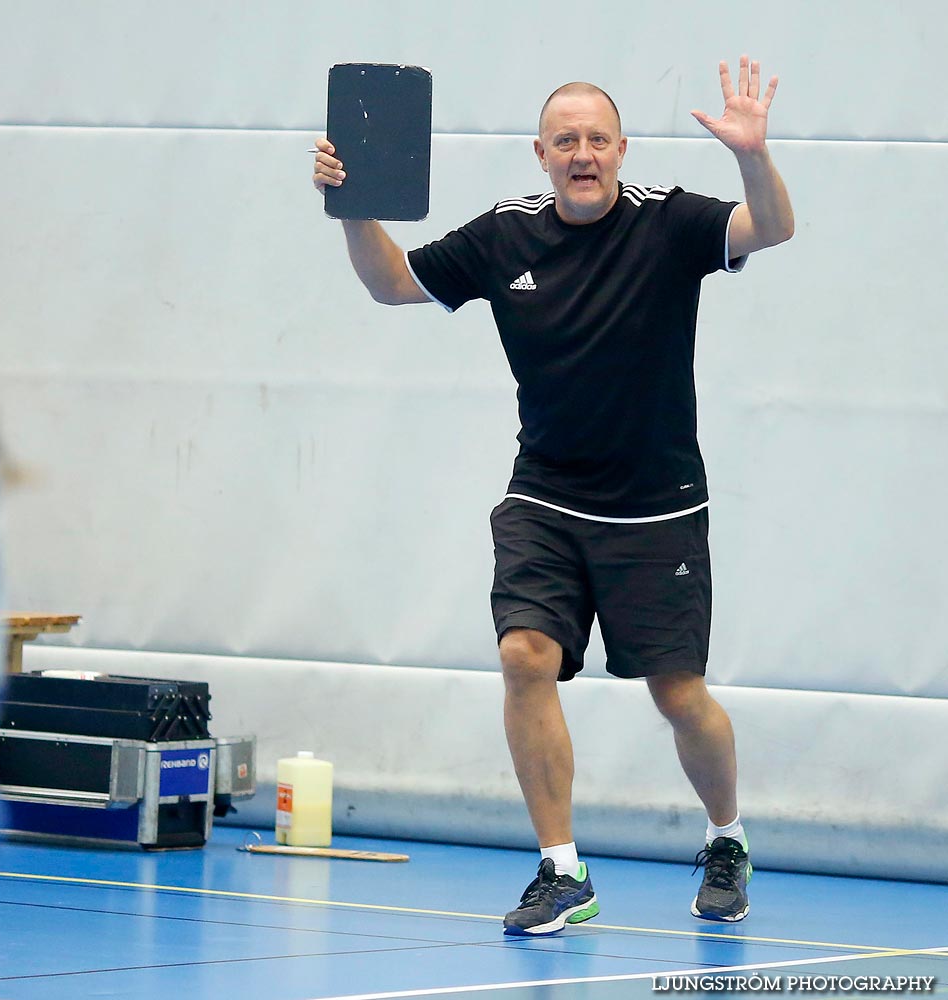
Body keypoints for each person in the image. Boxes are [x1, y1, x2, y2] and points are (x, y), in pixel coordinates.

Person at [312, 56, 793, 935]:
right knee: (525, 658)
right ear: (541, 153)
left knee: (680, 696)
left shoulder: (671, 222)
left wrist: (752, 154)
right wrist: (354, 206)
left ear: (620, 150)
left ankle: (727, 838)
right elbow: (390, 283)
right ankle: (561, 870)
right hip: (546, 497)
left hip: (658, 508)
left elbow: (772, 226)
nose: (582, 153)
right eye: (565, 140)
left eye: (597, 139)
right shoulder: (504, 235)